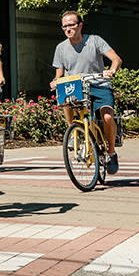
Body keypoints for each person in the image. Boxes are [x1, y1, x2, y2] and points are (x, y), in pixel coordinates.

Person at [49, 10, 122, 175]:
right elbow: (59, 73)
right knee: (64, 96)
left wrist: (111, 70)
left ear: (80, 25)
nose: (68, 29)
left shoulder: (94, 41)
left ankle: (111, 152)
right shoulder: (61, 48)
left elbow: (116, 59)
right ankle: (72, 132)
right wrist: (55, 80)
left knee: (107, 116)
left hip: (98, 84)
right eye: (65, 26)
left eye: (72, 25)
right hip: (75, 85)